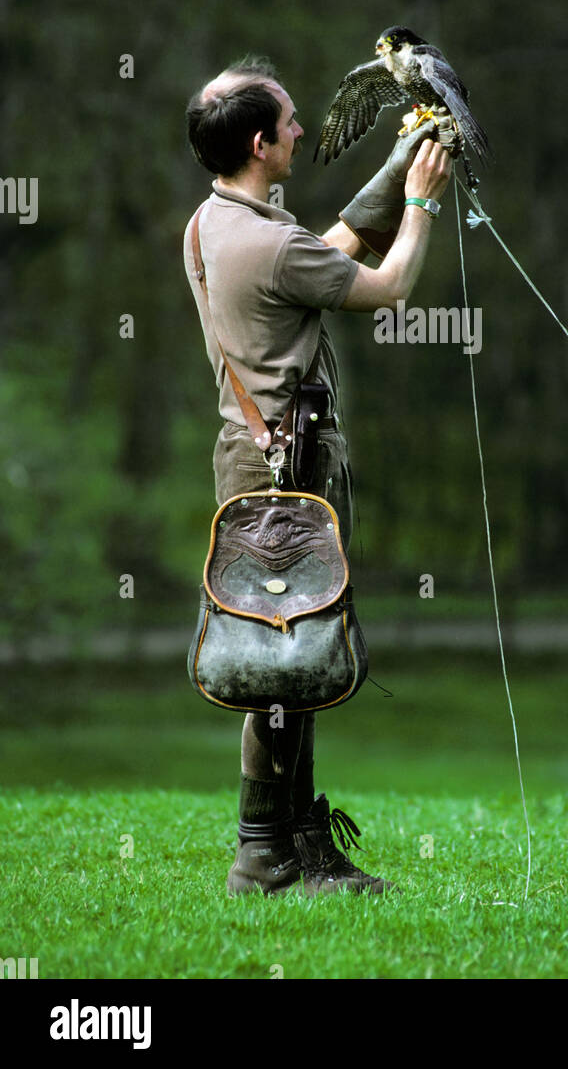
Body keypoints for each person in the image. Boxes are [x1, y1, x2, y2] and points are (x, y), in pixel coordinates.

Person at [182, 55, 453, 898]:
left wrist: (394, 162)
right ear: (261, 144)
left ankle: (296, 846)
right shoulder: (264, 241)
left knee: (290, 653)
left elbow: (318, 254)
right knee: (279, 659)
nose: (304, 130)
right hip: (286, 468)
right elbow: (387, 285)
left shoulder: (213, 224)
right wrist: (420, 200)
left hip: (249, 459)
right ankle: (262, 856)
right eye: (292, 123)